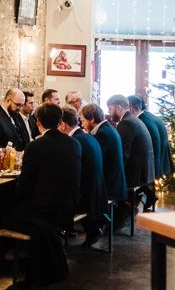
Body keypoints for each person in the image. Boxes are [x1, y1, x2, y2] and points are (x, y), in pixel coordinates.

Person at [1, 103, 80, 287]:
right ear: (60, 122)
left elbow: (25, 186)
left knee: (0, 212)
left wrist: (13, 199)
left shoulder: (35, 146)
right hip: (68, 207)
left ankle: (6, 260)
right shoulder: (74, 143)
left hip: (44, 211)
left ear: (37, 122)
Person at [59, 106, 107, 248]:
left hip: (86, 200)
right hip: (97, 194)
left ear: (63, 125)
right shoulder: (87, 137)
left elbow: (69, 176)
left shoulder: (74, 142)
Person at [107, 94, 155, 227]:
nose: (109, 113)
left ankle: (112, 219)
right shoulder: (133, 119)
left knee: (106, 178)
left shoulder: (126, 123)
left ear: (118, 107)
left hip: (137, 173)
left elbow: (122, 154)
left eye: (110, 109)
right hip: (145, 170)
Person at [128, 94, 173, 209]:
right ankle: (147, 196)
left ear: (132, 108)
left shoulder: (142, 121)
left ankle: (139, 200)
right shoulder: (148, 116)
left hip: (155, 161)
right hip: (161, 159)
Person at [80, 103, 127, 205]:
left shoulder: (102, 133)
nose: (82, 125)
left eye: (83, 120)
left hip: (110, 186)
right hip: (115, 181)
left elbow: (95, 159)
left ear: (91, 119)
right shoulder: (107, 128)